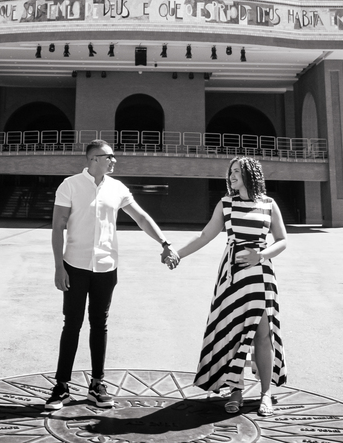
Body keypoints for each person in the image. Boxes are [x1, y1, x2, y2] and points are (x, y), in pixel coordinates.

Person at [46, 139, 179, 411]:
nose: (114, 160)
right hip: (75, 266)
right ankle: (61, 387)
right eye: (110, 156)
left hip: (106, 268)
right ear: (94, 158)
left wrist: (165, 242)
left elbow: (141, 217)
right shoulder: (70, 185)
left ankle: (97, 385)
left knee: (99, 324)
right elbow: (58, 226)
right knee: (72, 324)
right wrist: (59, 267)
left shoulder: (117, 188)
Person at [170, 157, 288, 417]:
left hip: (260, 275)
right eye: (231, 171)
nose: (232, 176)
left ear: (250, 175)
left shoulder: (268, 204)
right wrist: (178, 254)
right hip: (232, 278)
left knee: (262, 334)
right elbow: (205, 235)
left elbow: (282, 240)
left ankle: (265, 393)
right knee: (233, 332)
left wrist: (261, 256)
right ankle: (235, 391)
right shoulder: (226, 204)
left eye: (237, 171)